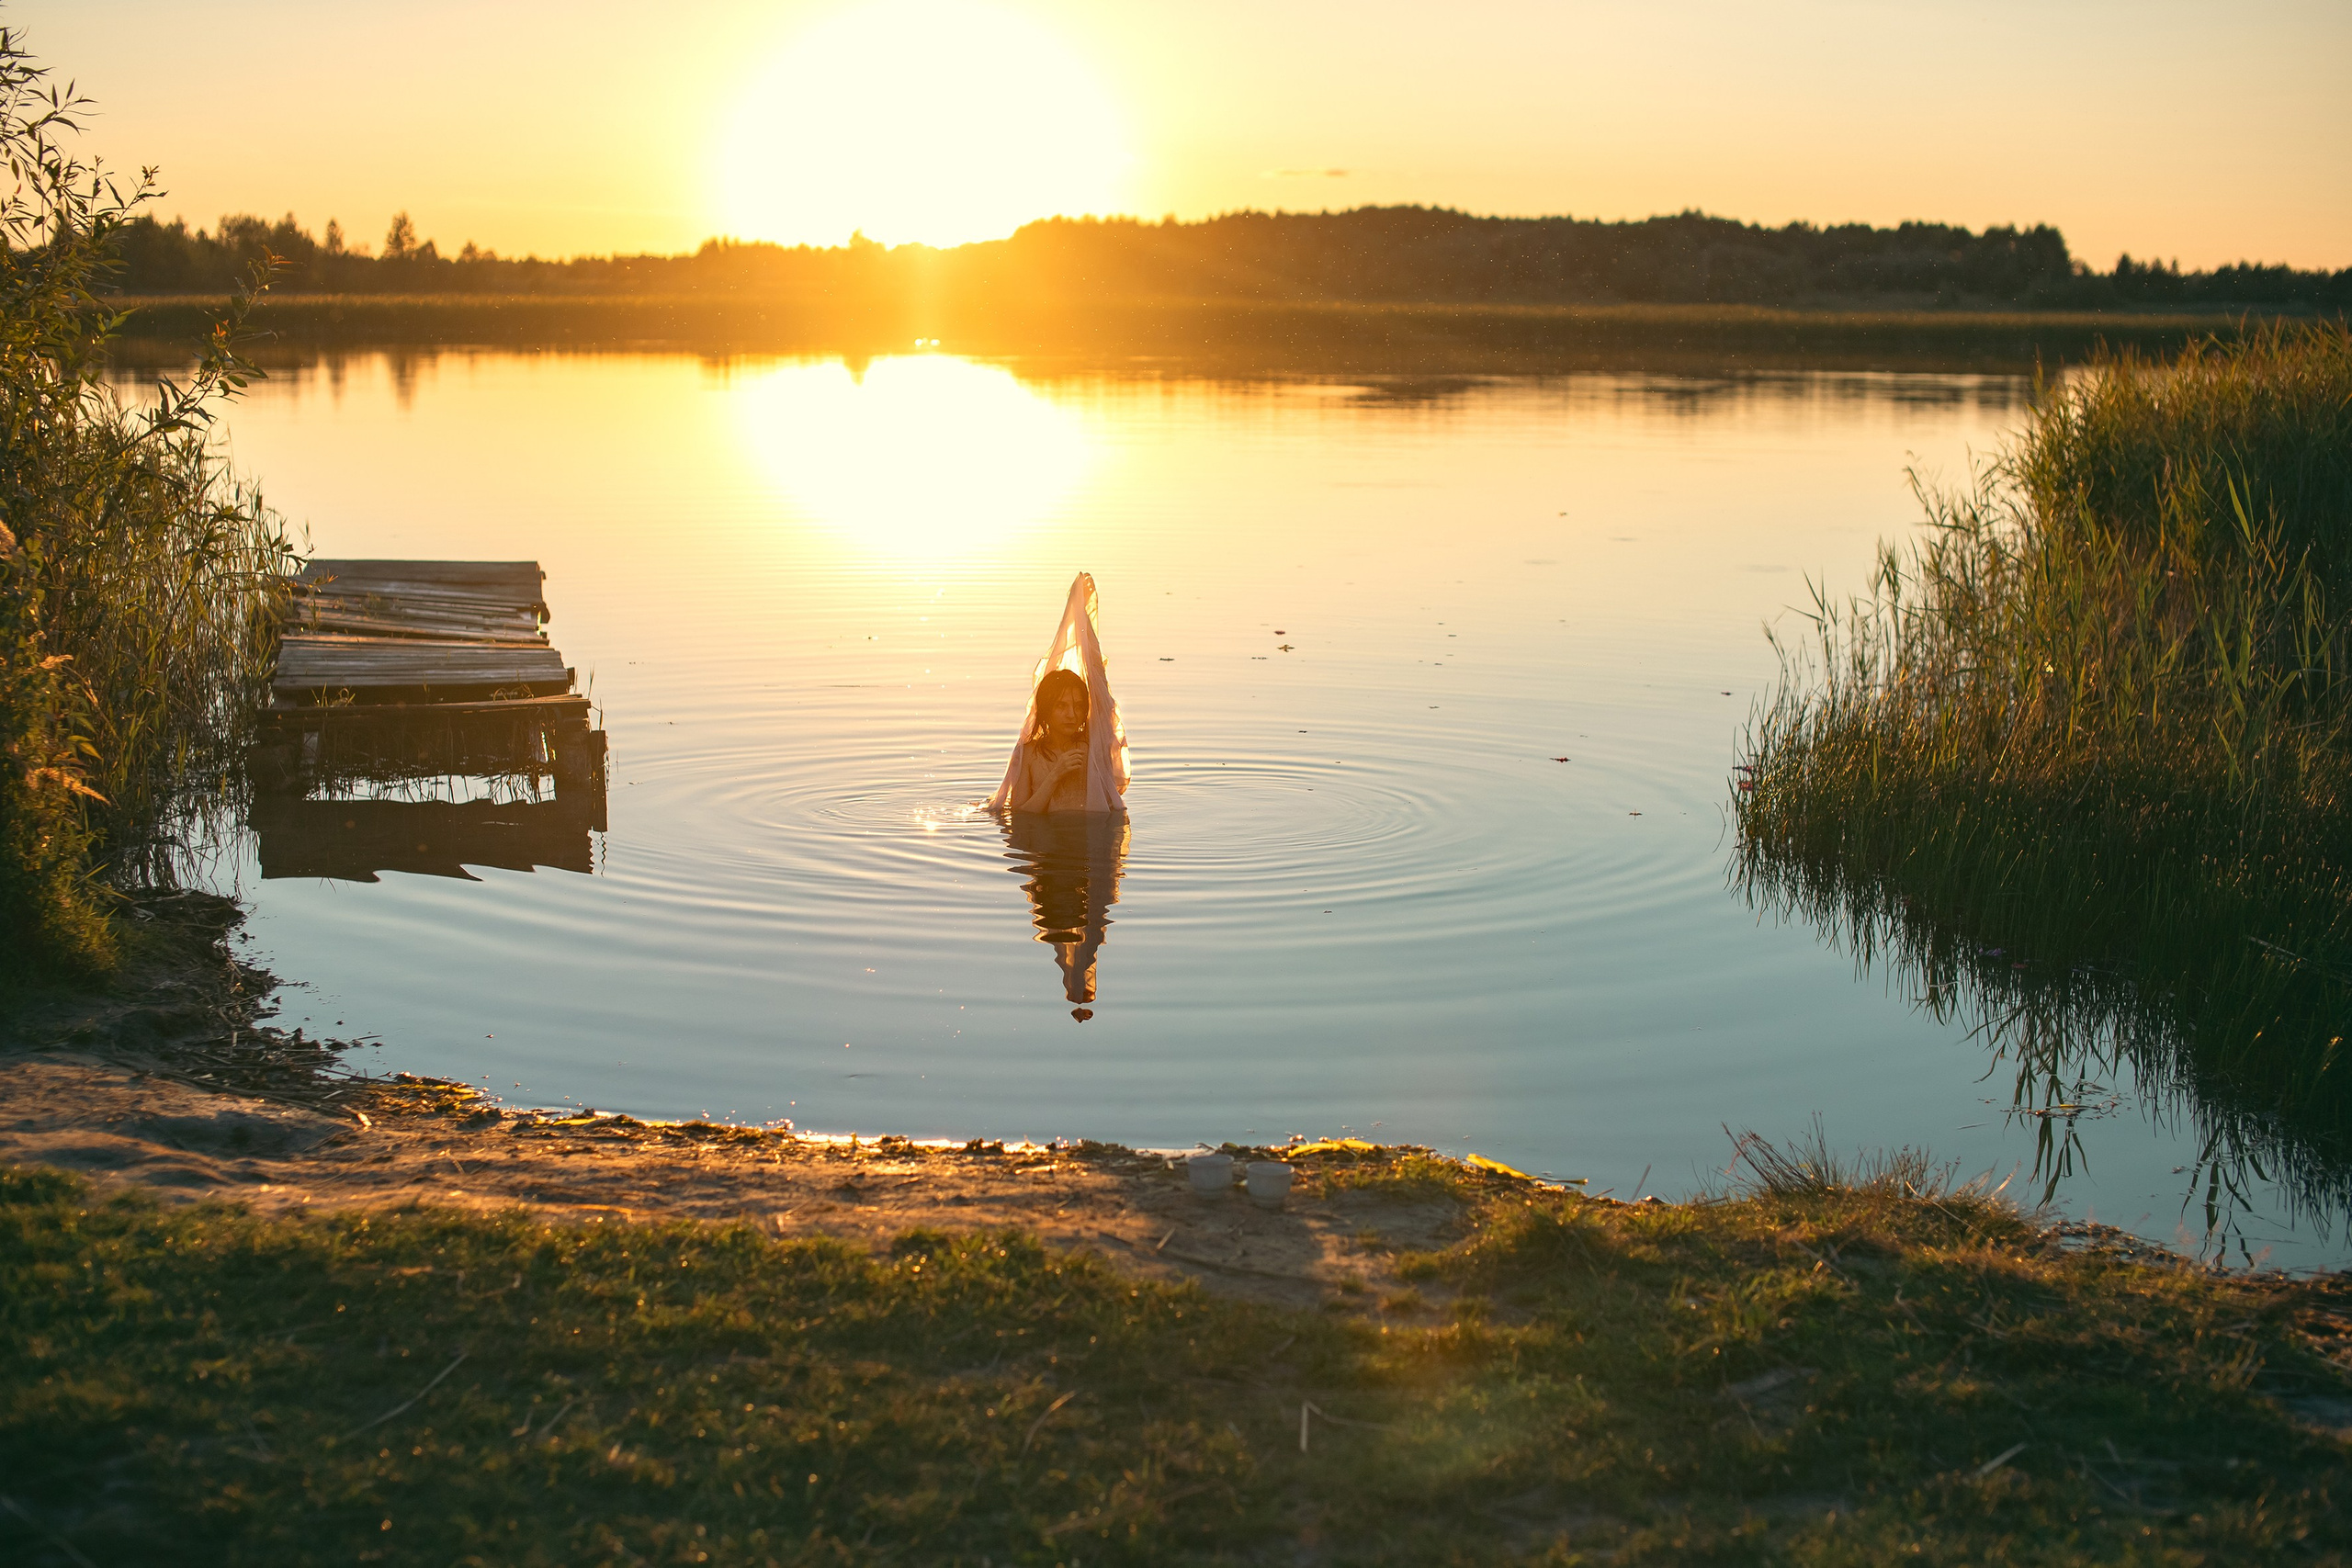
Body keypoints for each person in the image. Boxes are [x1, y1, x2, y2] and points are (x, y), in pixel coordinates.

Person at [1011, 668, 1091, 814]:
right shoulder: (1029, 753)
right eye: (1061, 706)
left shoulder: (1092, 747)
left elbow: (1105, 703)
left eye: (1078, 706)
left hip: (1090, 829)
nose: (1071, 715)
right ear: (1046, 710)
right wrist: (1056, 774)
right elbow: (1019, 814)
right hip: (1041, 828)